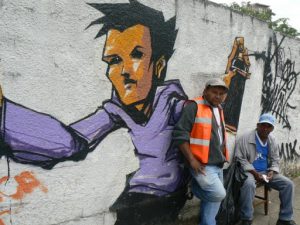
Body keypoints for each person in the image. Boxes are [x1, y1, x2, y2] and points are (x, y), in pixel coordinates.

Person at [0, 1, 189, 224]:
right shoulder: (117, 109)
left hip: (169, 199)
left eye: (136, 55)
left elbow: (205, 131)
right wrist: (4, 113)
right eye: (115, 61)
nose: (124, 71)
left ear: (158, 65)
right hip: (136, 200)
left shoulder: (174, 104)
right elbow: (71, 141)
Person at [172, 78, 229, 225]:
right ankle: (194, 187)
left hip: (218, 163)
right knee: (218, 194)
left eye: (221, 94)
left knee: (212, 206)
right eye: (214, 92)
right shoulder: (194, 106)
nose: (218, 96)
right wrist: (192, 160)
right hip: (202, 164)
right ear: (205, 91)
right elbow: (180, 134)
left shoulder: (219, 109)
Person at [235, 113, 296, 225]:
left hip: (266, 172)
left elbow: (275, 159)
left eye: (269, 126)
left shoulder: (271, 140)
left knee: (288, 184)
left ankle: (285, 219)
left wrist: (272, 171)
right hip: (249, 171)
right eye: (263, 125)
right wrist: (254, 172)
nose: (265, 129)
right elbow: (240, 158)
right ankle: (246, 218)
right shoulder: (246, 138)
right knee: (249, 184)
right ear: (258, 125)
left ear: (272, 129)